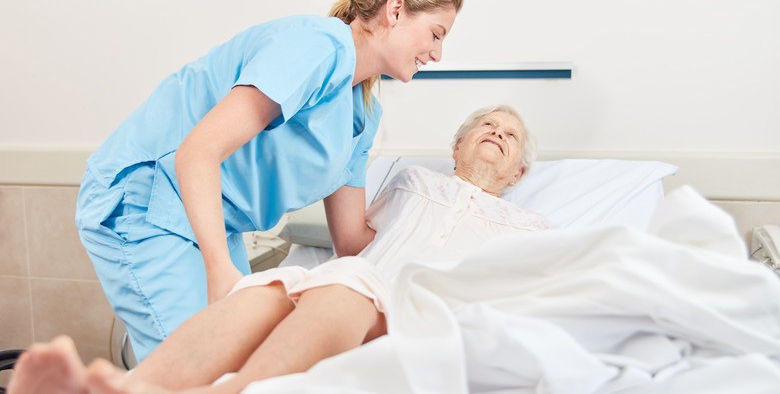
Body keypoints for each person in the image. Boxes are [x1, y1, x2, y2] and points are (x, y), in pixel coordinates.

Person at [73, 0, 463, 362]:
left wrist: (438, 239)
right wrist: (220, 269)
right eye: (435, 34)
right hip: (146, 200)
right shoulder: (315, 46)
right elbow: (198, 152)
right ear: (396, 10)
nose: (436, 54)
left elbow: (351, 241)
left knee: (241, 366)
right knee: (198, 367)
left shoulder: (362, 116)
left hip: (208, 220)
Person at [9, 105, 549, 394]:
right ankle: (137, 389)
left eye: (510, 135)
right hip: (353, 292)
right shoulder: (409, 182)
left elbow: (529, 295)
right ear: (456, 146)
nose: (497, 133)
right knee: (272, 285)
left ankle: (229, 392)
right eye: (487, 125)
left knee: (345, 282)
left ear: (519, 171)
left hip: (422, 311)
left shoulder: (530, 228)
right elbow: (355, 238)